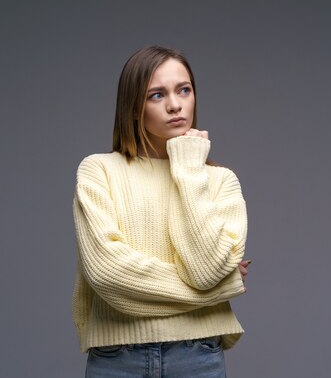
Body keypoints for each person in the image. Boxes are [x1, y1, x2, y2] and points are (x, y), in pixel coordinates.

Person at [71, 45, 251, 377]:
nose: (175, 104)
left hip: (198, 356)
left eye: (184, 90)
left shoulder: (220, 181)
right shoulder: (99, 171)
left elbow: (205, 271)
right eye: (157, 95)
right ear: (134, 107)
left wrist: (187, 170)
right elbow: (108, 275)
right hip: (117, 360)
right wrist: (222, 288)